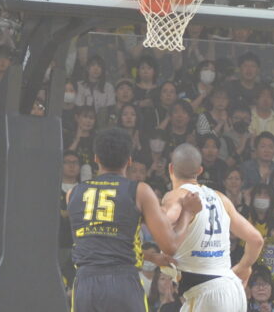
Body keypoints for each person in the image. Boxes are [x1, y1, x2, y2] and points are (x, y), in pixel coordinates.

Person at [67, 127, 203, 312]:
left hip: (85, 284)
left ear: (96, 158)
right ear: (129, 160)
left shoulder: (73, 193)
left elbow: (103, 244)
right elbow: (170, 245)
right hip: (123, 282)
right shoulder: (139, 191)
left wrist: (151, 257)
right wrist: (187, 212)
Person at [162, 142, 265, 312]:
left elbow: (163, 224)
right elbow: (256, 240)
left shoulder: (176, 196)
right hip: (233, 289)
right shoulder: (220, 198)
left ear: (171, 168)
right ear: (200, 171)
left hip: (206, 293)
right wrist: (243, 266)